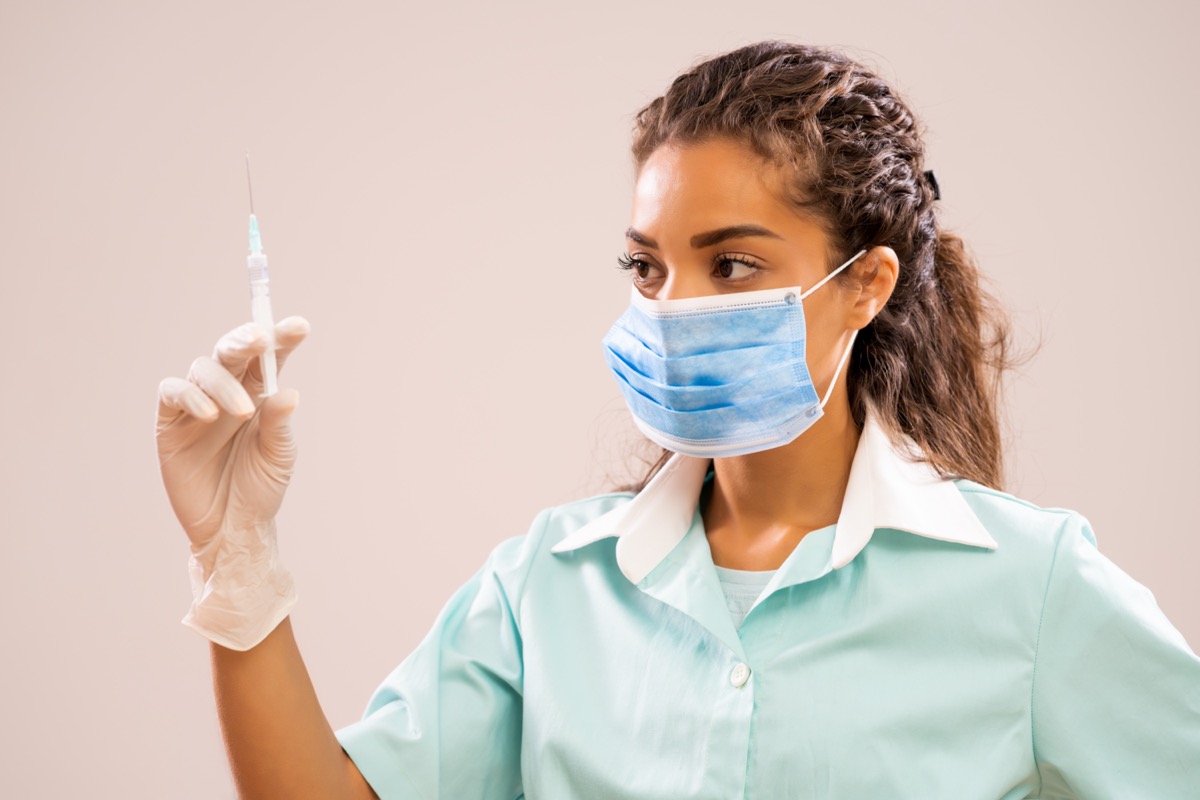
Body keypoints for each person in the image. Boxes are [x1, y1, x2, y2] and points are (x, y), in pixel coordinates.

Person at [155, 41, 1200, 799]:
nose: (673, 309)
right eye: (647, 267)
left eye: (733, 264)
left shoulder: (1031, 588)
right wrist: (235, 553)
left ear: (865, 284)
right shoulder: (548, 585)